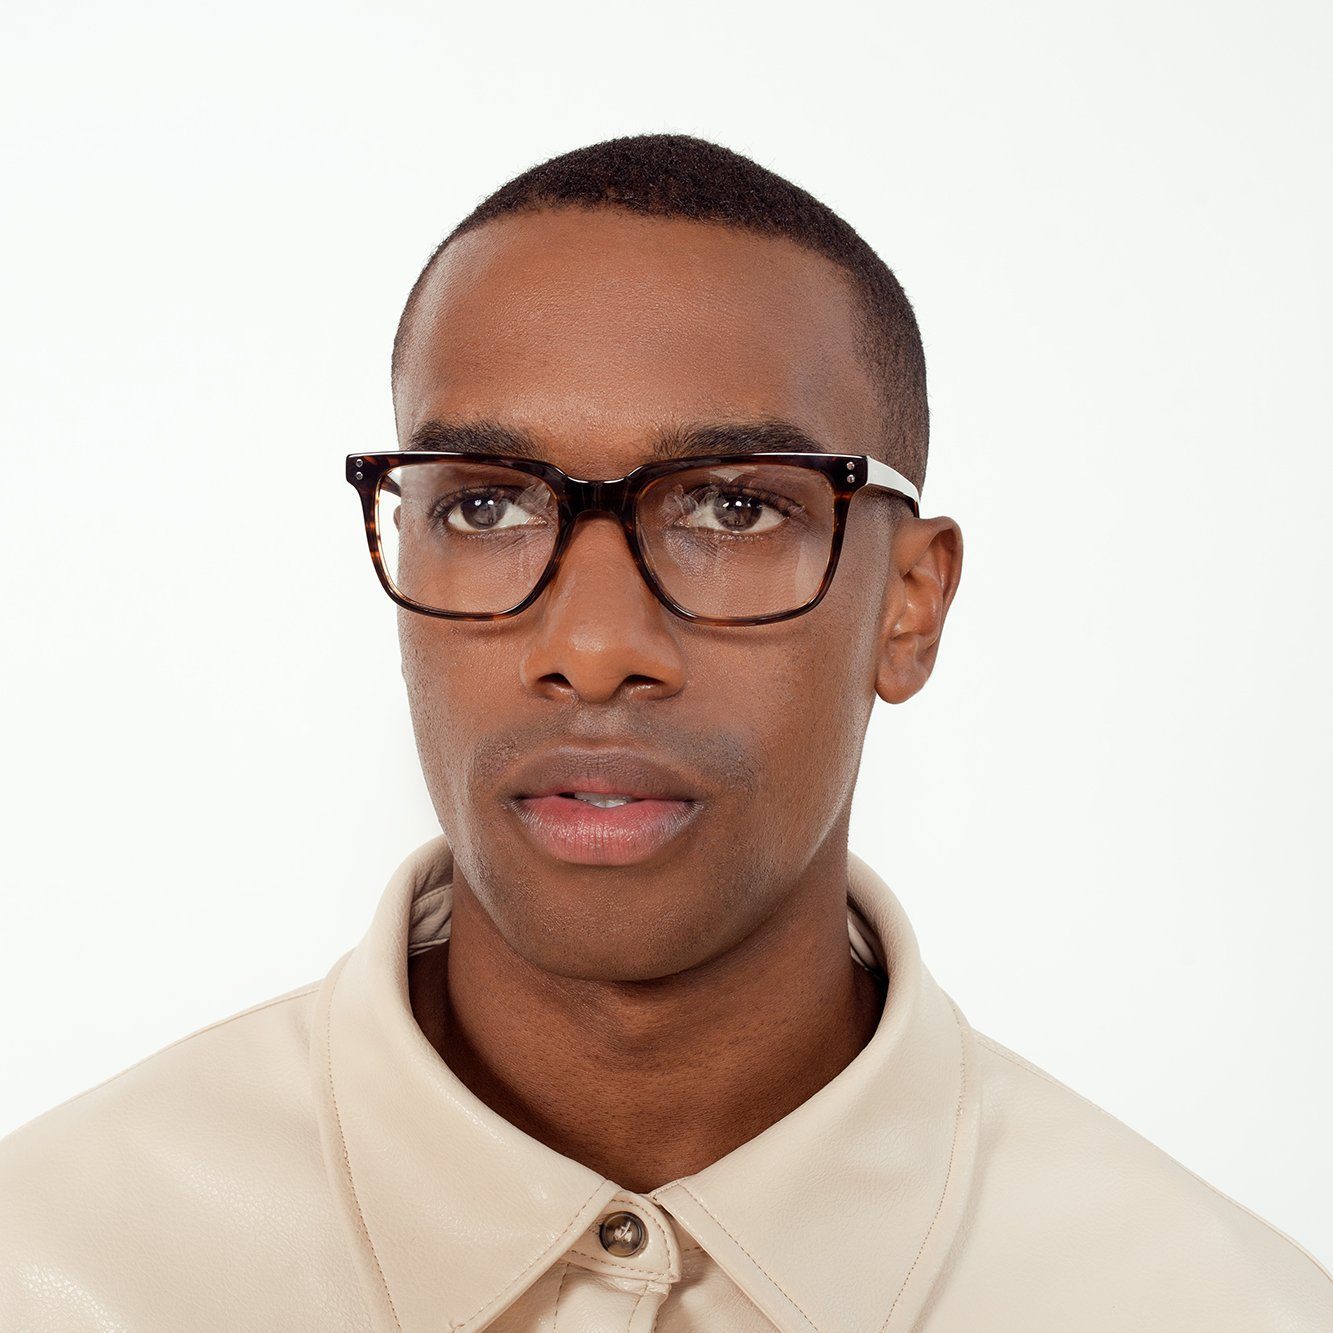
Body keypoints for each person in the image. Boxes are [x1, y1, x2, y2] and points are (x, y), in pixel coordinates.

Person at [1, 132, 1329, 1332]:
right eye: (483, 505)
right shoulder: (53, 1269)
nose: (594, 647)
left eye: (734, 507)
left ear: (910, 605)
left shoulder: (1216, 1308)